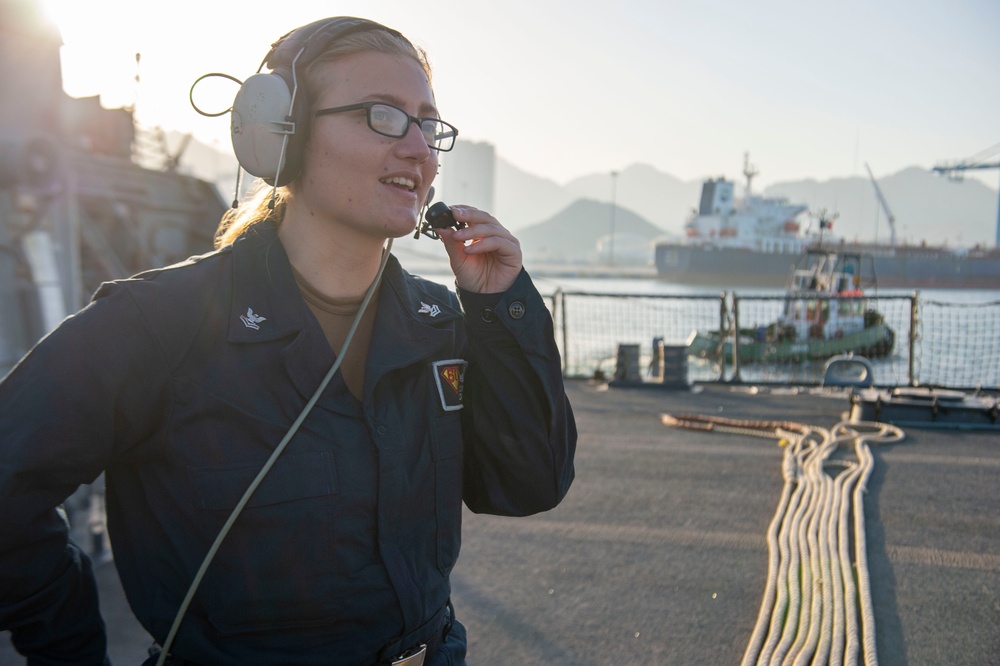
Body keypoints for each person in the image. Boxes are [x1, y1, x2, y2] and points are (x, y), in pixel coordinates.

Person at [0, 16, 576, 666]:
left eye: (428, 123)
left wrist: (500, 310)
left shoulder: (441, 321)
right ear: (280, 133)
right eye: (384, 116)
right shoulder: (159, 323)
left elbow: (528, 487)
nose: (420, 149)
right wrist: (70, 651)